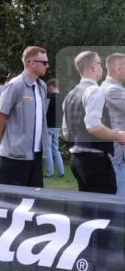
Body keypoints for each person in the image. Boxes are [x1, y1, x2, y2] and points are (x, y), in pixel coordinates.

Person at [62, 51, 125, 194]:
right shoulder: (94, 91)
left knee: (88, 211)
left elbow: (66, 134)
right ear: (93, 67)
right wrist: (118, 135)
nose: (102, 67)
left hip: (76, 160)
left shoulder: (70, 95)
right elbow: (94, 126)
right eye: (99, 63)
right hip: (95, 160)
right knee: (106, 210)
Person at [0, 47, 50, 188]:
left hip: (36, 156)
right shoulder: (14, 85)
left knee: (33, 204)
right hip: (14, 157)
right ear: (31, 63)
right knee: (10, 204)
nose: (47, 66)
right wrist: (5, 145)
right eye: (44, 62)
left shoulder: (42, 86)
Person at [101, 52, 125, 197]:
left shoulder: (113, 87)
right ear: (118, 69)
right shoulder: (112, 89)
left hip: (118, 152)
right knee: (120, 199)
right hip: (117, 154)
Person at [44, 78, 65, 179]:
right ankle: (61, 172)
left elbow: (44, 111)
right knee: (56, 149)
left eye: (48, 88)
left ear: (51, 87)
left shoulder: (50, 97)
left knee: (48, 149)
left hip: (48, 126)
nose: (47, 90)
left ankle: (49, 172)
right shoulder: (64, 97)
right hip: (58, 126)